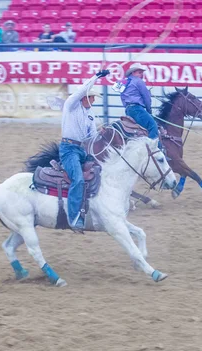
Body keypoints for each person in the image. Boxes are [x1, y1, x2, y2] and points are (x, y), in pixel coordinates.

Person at [60, 69, 110, 232]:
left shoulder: (90, 115)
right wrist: (96, 77)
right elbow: (81, 89)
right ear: (85, 97)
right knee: (79, 180)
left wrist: (102, 134)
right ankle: (74, 219)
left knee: (100, 172)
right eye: (92, 97)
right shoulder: (71, 105)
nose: (94, 100)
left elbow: (91, 136)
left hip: (80, 149)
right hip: (68, 149)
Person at [119, 63, 160, 142]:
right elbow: (146, 97)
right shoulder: (139, 81)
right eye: (140, 72)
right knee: (153, 126)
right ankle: (153, 148)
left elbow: (122, 97)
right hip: (137, 109)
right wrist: (149, 110)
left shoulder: (123, 82)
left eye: (142, 73)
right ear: (133, 72)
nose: (142, 75)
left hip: (128, 110)